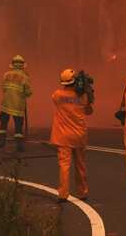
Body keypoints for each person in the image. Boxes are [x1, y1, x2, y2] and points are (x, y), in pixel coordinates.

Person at [50, 67, 92, 201]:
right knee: (80, 165)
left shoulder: (57, 95)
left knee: (64, 165)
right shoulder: (83, 97)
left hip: (63, 137)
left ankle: (63, 194)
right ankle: (83, 192)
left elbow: (55, 99)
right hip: (79, 135)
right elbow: (89, 111)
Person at [0, 54, 33, 151]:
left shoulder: (6, 74)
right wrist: (26, 94)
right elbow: (28, 92)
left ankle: (1, 141)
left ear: (13, 65)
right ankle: (19, 145)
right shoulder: (24, 76)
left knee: (3, 123)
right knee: (18, 125)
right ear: (22, 65)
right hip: (18, 105)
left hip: (6, 103)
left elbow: (3, 88)